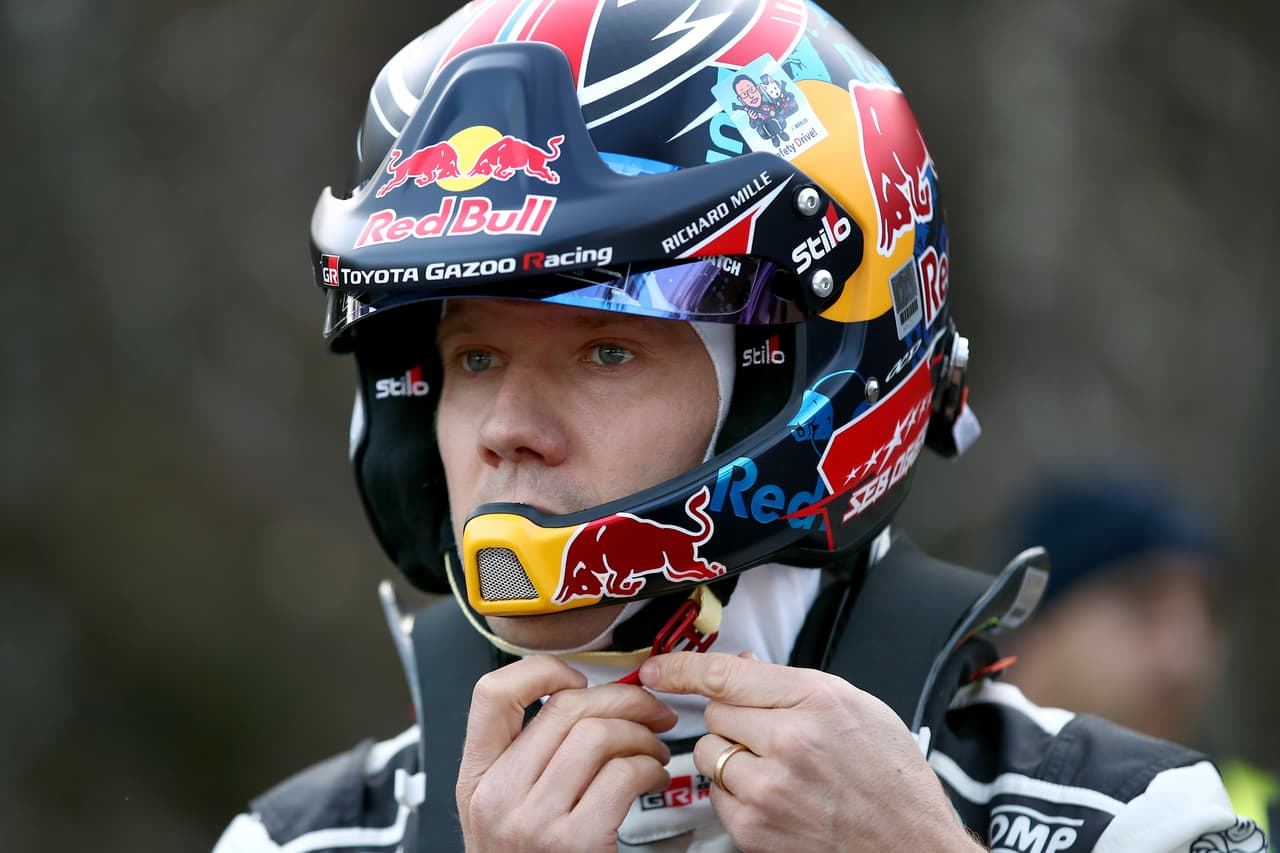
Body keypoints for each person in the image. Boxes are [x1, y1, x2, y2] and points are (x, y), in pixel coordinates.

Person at [214, 1, 1267, 850]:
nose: (506, 431)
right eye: (473, 356)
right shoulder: (297, 840)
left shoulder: (1139, 822)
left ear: (797, 381)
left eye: (605, 350)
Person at [997, 467, 1279, 839]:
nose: (1187, 660)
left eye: (1212, 613)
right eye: (1141, 604)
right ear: (1029, 626)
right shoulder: (915, 790)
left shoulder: (1266, 827)